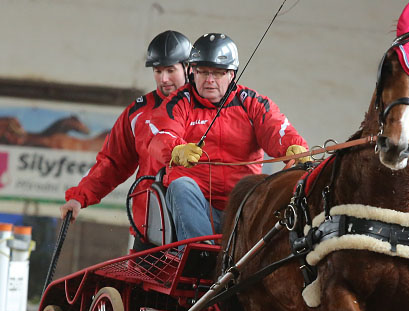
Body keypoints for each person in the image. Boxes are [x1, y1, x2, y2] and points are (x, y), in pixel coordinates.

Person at [148, 32, 310, 241]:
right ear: (192, 72)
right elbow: (161, 135)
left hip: (245, 207)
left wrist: (293, 146)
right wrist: (175, 150)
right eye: (203, 72)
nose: (210, 80)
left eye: (218, 73)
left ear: (232, 74)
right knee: (181, 186)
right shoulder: (178, 102)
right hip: (197, 206)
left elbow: (277, 129)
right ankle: (201, 254)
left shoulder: (253, 103)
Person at [60, 30, 191, 250]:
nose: (164, 79)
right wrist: (78, 198)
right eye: (158, 71)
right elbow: (112, 163)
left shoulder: (207, 109)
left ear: (188, 68)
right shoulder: (137, 114)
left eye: (171, 70)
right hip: (151, 230)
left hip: (198, 231)